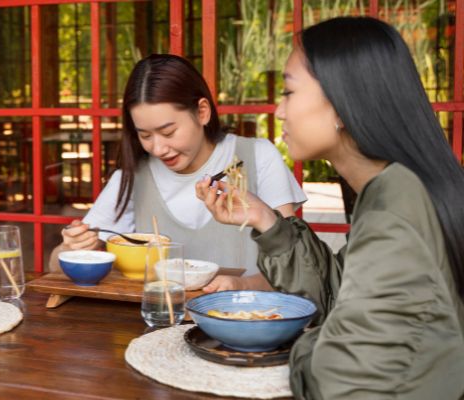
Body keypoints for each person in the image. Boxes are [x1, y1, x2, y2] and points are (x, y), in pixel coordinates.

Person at [196, 17, 464, 399]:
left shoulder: (398, 209)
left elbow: (343, 379)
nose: (279, 111)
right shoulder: (393, 188)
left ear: (341, 104)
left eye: (289, 92)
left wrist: (309, 344)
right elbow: (337, 296)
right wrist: (265, 219)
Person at [50, 54, 306, 292]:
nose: (159, 148)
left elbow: (298, 265)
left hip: (250, 320)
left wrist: (241, 284)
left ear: (202, 112)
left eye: (169, 132)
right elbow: (55, 265)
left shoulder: (257, 156)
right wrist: (72, 247)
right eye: (145, 135)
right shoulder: (134, 177)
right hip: (159, 321)